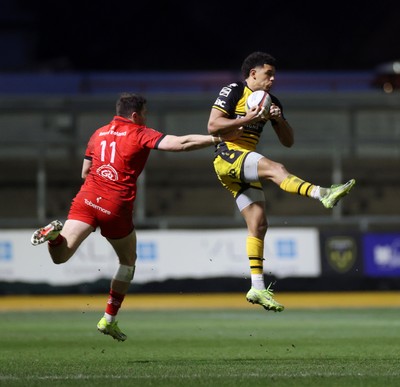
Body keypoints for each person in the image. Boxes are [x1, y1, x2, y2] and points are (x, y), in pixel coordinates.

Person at [31, 92, 242, 342]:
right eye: (144, 114)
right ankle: (108, 319)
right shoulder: (140, 133)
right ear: (134, 115)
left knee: (61, 256)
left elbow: (85, 172)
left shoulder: (98, 133)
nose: (145, 118)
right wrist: (217, 138)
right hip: (115, 203)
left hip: (86, 198)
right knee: (128, 261)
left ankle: (54, 235)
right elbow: (180, 143)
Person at [207, 51, 355, 312]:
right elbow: (212, 126)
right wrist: (247, 119)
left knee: (259, 223)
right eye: (268, 74)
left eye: (274, 74)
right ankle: (322, 194)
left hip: (243, 163)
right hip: (228, 155)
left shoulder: (272, 101)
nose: (273, 79)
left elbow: (288, 141)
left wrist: (277, 119)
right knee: (276, 169)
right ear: (253, 73)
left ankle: (257, 287)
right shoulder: (233, 90)